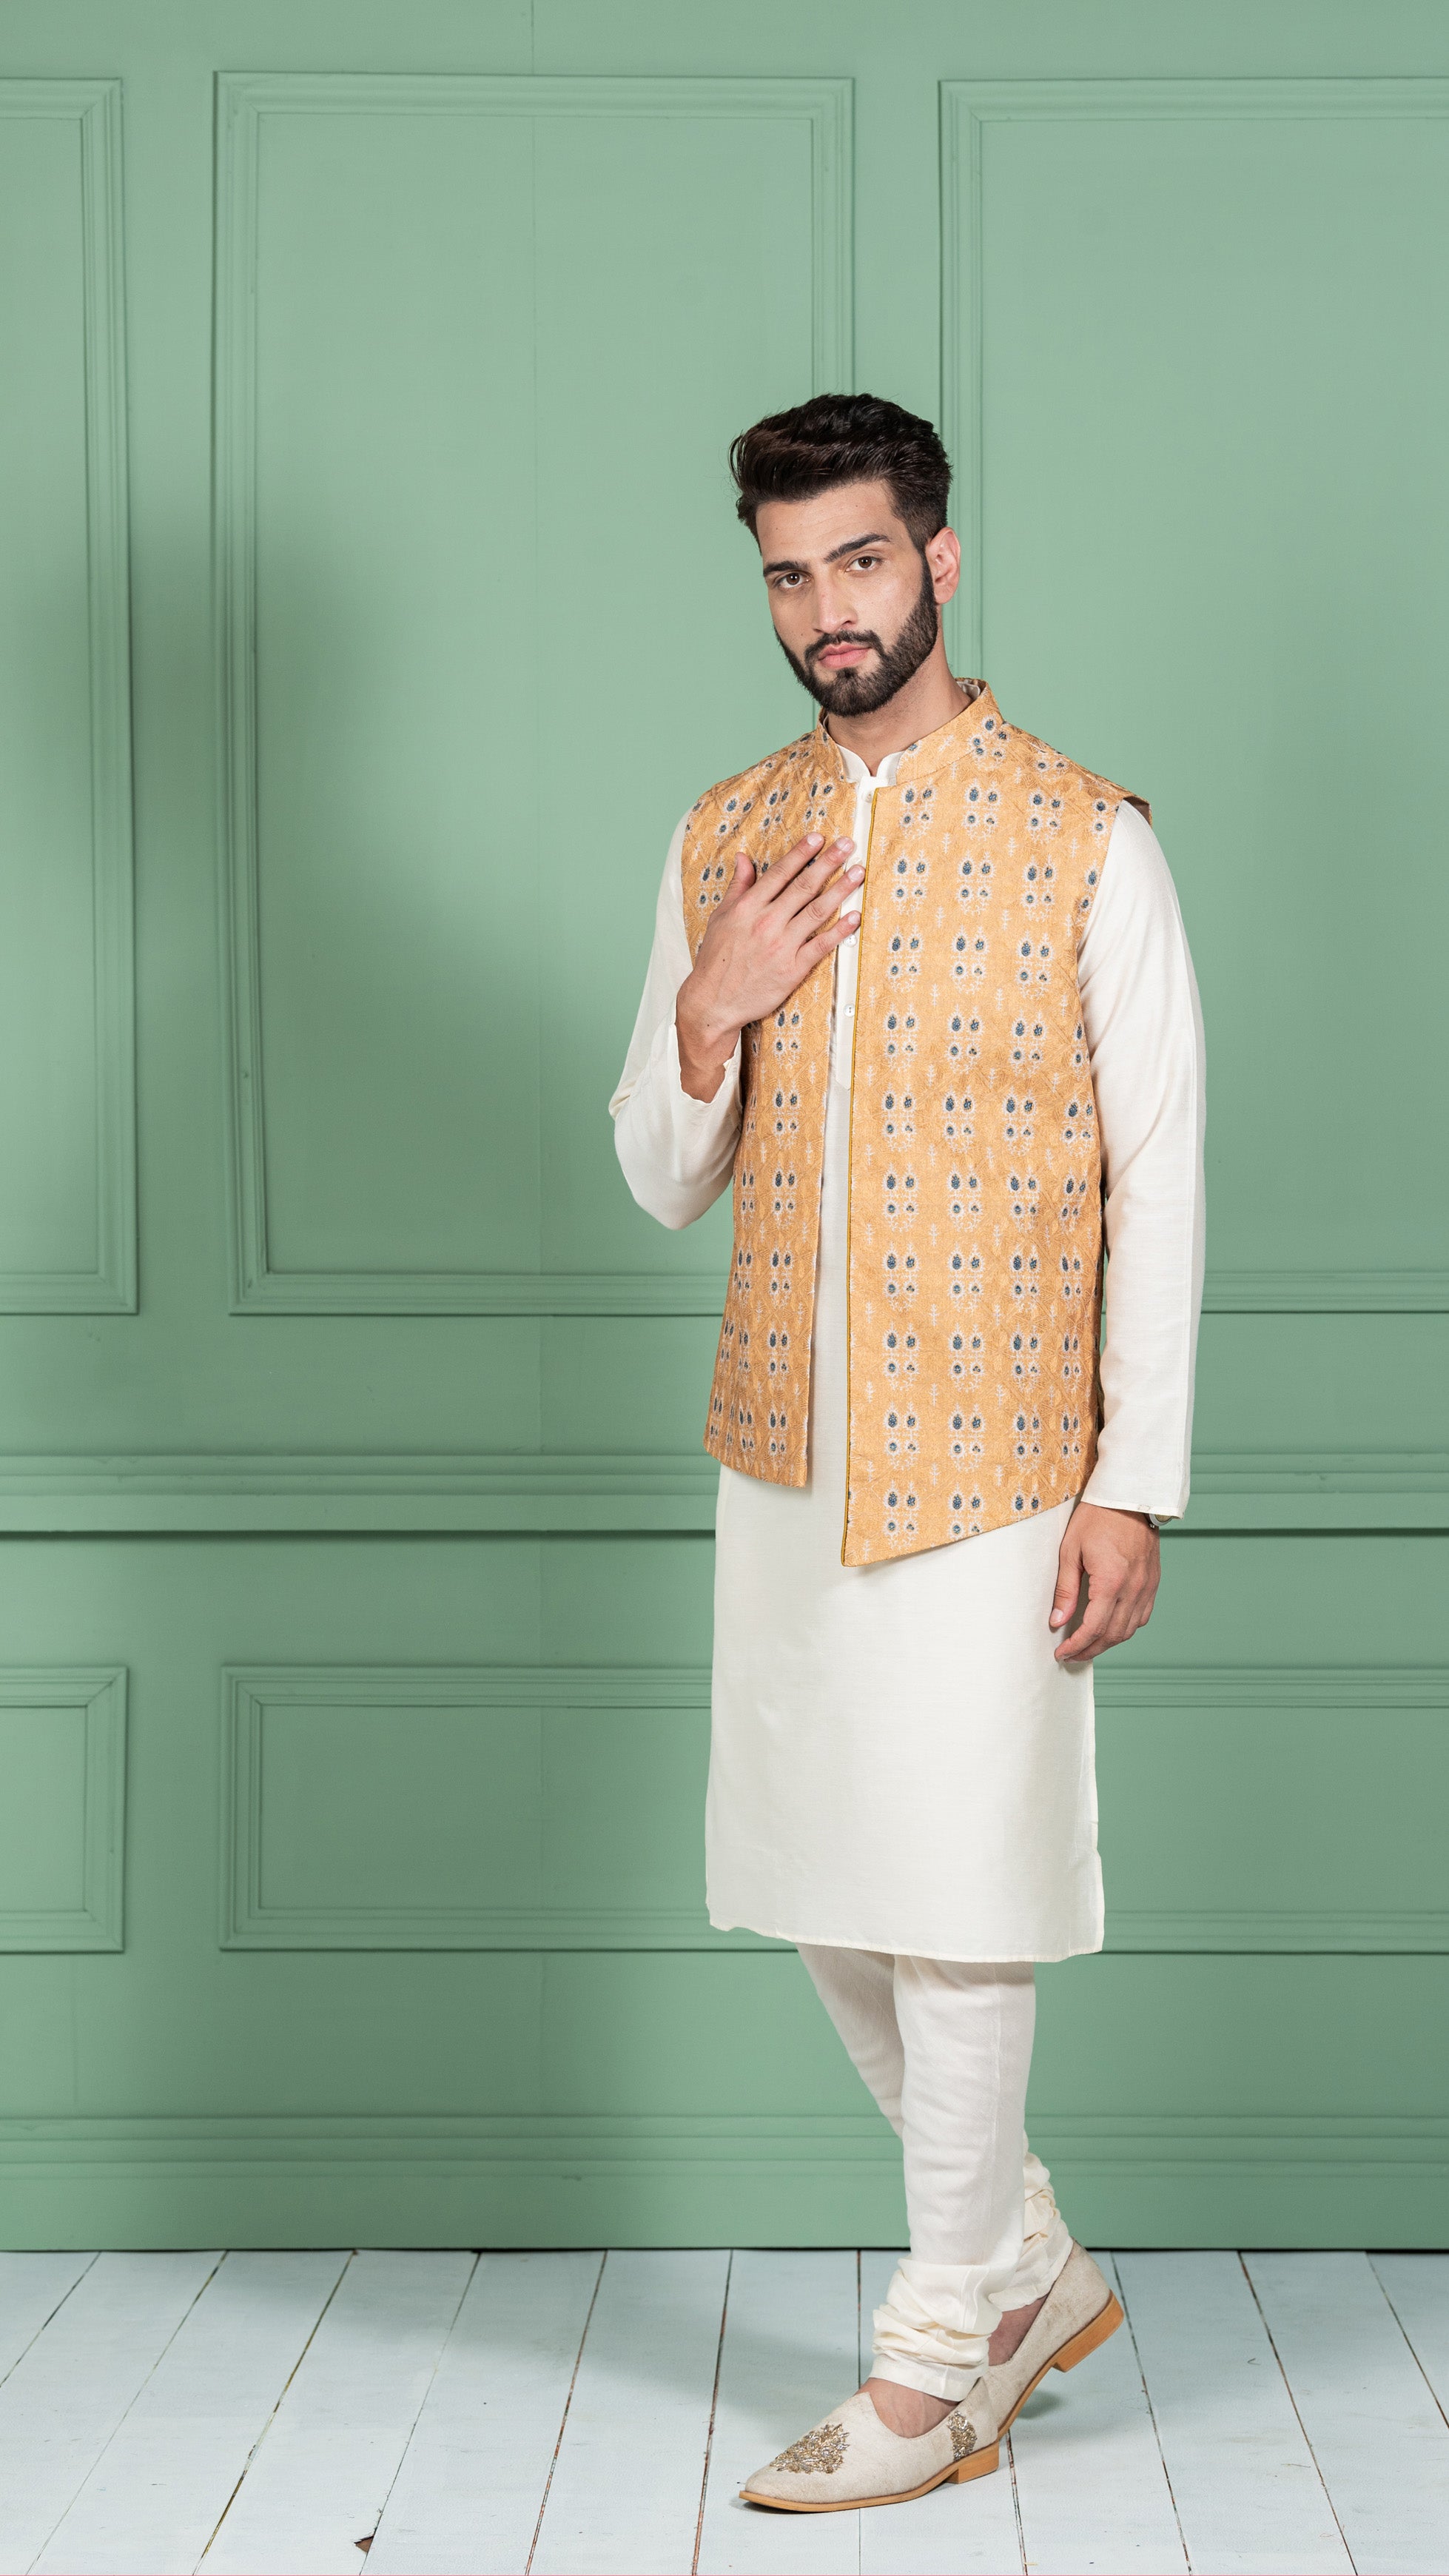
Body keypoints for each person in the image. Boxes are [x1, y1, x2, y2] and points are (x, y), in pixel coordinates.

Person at [610, 393, 1205, 2513]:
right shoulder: (728, 836)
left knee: (957, 1898)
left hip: (1001, 1467)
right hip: (784, 1454)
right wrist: (712, 1005)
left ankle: (942, 2352)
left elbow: (1161, 1169)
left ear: (939, 561)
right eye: (790, 575)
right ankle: (1024, 2263)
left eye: (860, 562)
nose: (826, 611)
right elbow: (659, 1172)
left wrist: (1135, 1479)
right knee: (826, 1886)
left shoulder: (1085, 837)